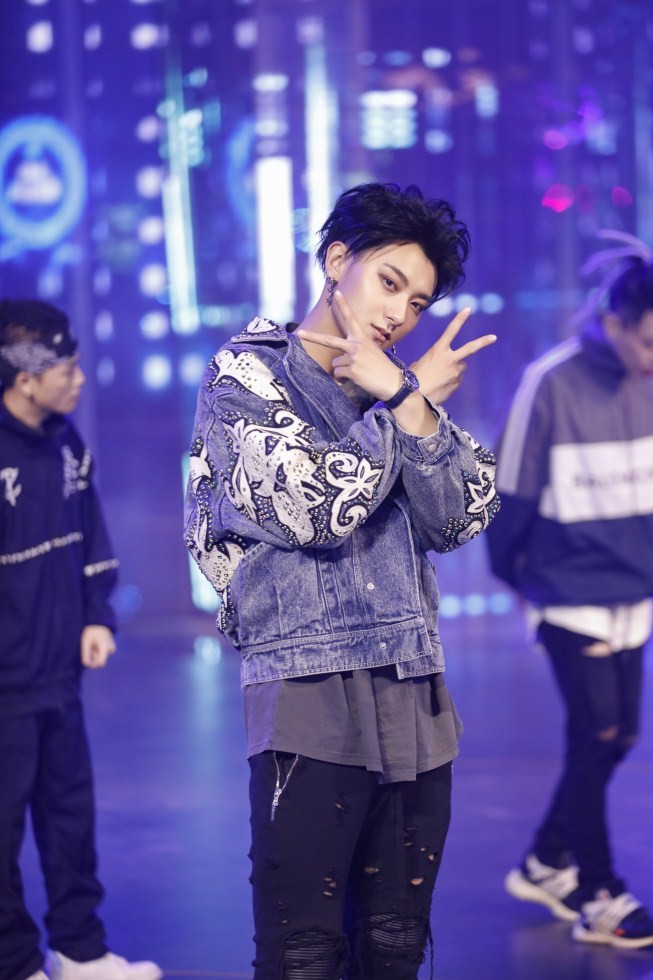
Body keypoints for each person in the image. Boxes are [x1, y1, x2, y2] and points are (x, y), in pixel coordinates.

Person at [185, 181, 499, 979]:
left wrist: (403, 397)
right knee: (302, 952)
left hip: (412, 686)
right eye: (388, 282)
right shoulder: (246, 377)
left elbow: (460, 516)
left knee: (396, 944)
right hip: (306, 690)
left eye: (417, 302)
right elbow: (313, 509)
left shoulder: (397, 387)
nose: (398, 314)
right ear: (336, 260)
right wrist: (404, 403)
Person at [486, 234, 653, 949]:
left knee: (619, 739)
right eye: (647, 342)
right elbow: (508, 496)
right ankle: (598, 894)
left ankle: (545, 861)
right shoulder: (549, 382)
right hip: (568, 589)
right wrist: (517, 578)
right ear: (613, 322)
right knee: (598, 735)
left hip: (634, 590)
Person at [0, 300, 161, 980]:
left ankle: (80, 951)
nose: (80, 378)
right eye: (66, 368)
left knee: (71, 820)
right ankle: (15, 963)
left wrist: (97, 615)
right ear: (24, 378)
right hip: (4, 690)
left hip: (60, 677)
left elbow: (92, 537)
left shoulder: (66, 443)